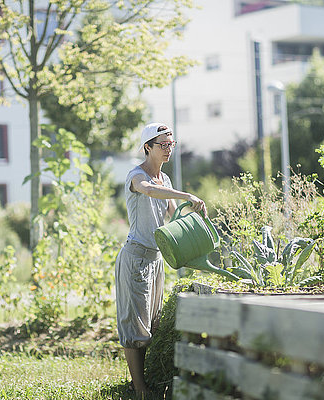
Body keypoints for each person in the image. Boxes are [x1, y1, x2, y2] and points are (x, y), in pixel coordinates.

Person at [115, 122, 207, 397]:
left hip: (155, 259)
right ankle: (140, 389)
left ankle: (141, 382)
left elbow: (172, 217)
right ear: (148, 147)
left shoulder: (164, 180)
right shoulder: (136, 176)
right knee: (135, 325)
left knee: (151, 324)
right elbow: (150, 192)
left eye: (171, 144)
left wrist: (192, 220)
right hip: (135, 257)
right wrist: (187, 194)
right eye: (162, 145)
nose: (168, 150)